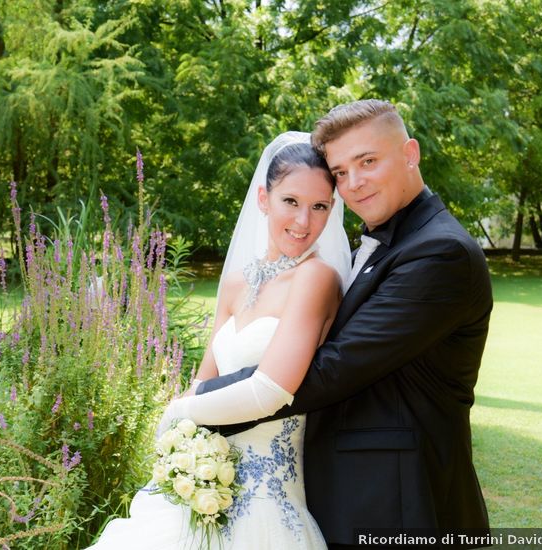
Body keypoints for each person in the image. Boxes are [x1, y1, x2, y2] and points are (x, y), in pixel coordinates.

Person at [178, 100, 492, 547]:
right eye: (341, 172)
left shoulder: (440, 253)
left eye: (368, 161)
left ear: (410, 154)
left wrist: (194, 405)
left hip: (403, 498)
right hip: (342, 489)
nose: (354, 183)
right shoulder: (387, 244)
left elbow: (333, 368)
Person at [87, 131, 352, 549]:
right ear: (264, 199)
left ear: (332, 209)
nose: (304, 221)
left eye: (319, 206)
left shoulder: (316, 278)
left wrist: (179, 411)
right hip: (203, 482)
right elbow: (205, 377)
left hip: (268, 496)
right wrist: (186, 454)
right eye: (291, 202)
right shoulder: (234, 283)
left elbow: (271, 390)